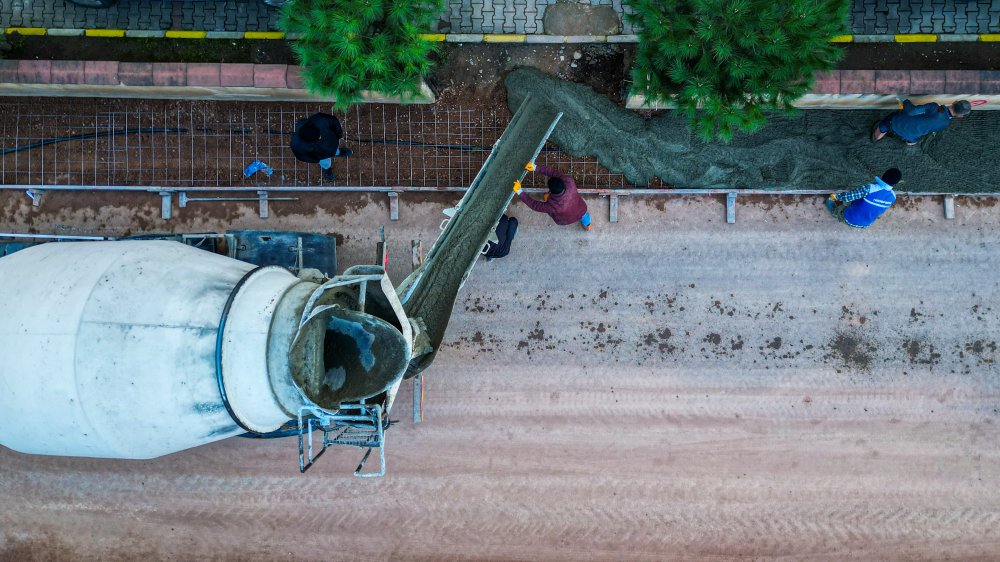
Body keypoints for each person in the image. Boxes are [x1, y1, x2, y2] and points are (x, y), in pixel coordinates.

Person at [513, 162, 591, 231]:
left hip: (566, 219)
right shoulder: (569, 181)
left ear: (551, 191)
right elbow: (554, 172)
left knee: (546, 197)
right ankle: (588, 227)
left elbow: (534, 205)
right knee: (586, 220)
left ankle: (547, 196)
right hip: (581, 210)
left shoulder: (553, 206)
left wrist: (520, 191)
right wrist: (536, 167)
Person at [825, 168, 902, 229]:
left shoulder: (870, 188)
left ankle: (836, 213)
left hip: (850, 219)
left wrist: (836, 196)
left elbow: (848, 197)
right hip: (866, 224)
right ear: (895, 183)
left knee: (832, 202)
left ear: (883, 175)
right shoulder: (893, 197)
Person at [872, 99, 971, 145]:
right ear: (960, 116)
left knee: (883, 126)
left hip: (895, 123)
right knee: (912, 142)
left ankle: (876, 138)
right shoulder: (945, 124)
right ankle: (908, 143)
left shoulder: (934, 107)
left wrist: (905, 100)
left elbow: (911, 111)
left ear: (955, 101)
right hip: (910, 136)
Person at [290, 112, 352, 181]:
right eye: (318, 137)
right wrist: (316, 159)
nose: (320, 137)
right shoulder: (297, 146)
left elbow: (333, 121)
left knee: (334, 150)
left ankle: (338, 152)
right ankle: (327, 169)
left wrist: (339, 134)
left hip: (331, 142)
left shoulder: (320, 120)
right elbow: (302, 157)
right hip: (321, 155)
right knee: (325, 162)